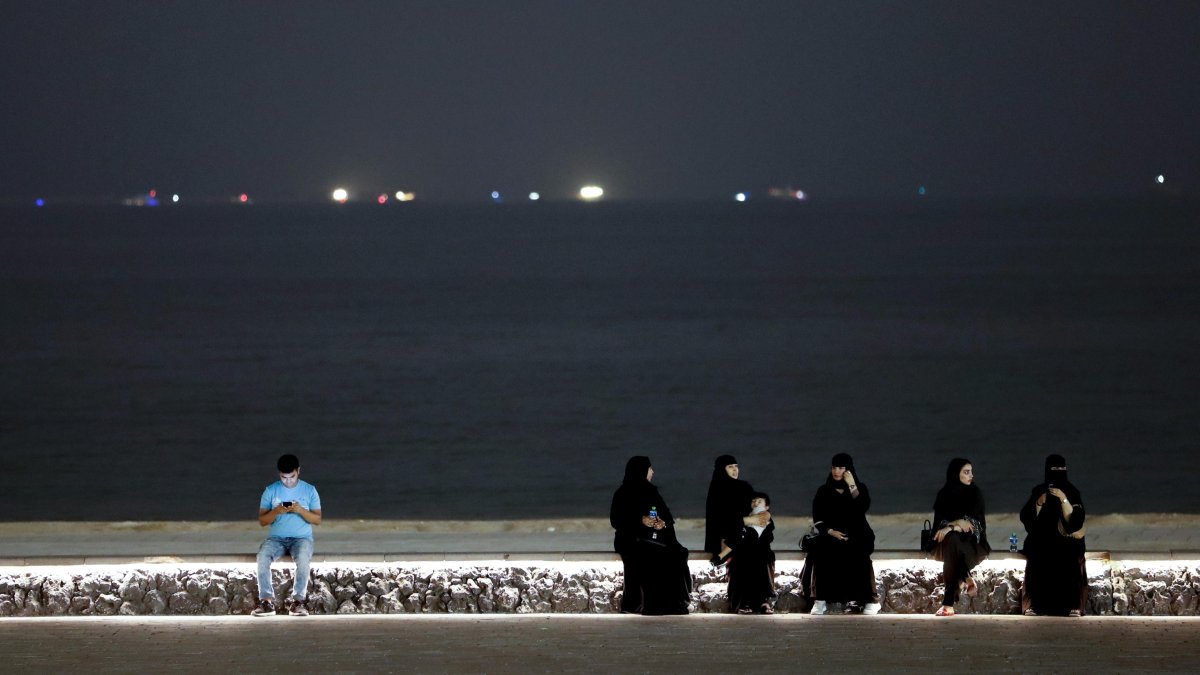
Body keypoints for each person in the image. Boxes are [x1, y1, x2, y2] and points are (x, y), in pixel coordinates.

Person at [609, 456, 691, 615]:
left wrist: (662, 523)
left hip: (654, 539)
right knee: (651, 555)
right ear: (641, 471)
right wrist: (640, 520)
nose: (652, 472)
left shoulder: (652, 492)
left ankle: (676, 603)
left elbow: (667, 516)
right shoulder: (623, 493)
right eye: (650, 469)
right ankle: (651, 604)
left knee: (676, 553)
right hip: (631, 540)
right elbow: (616, 520)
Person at [803, 453, 881, 615]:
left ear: (848, 469)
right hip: (831, 534)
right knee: (822, 554)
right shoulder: (823, 490)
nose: (836, 471)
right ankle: (820, 600)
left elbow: (862, 507)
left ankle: (870, 600)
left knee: (860, 554)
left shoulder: (860, 488)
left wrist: (852, 485)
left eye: (840, 468)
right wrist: (831, 532)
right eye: (834, 467)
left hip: (857, 533)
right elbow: (818, 517)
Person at [252, 454, 323, 617]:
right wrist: (277, 511)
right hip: (276, 538)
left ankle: (298, 602)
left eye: (292, 477)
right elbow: (263, 521)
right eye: (284, 478)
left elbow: (317, 520)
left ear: (298, 471)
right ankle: (266, 602)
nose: (288, 481)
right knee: (262, 556)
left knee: (303, 559)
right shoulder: (271, 491)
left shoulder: (309, 490)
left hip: (301, 538)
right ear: (279, 474)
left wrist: (300, 510)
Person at [1019, 454, 1087, 617]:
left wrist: (1063, 499)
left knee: (1070, 556)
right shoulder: (1039, 490)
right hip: (1042, 540)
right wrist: (1039, 502)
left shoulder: (1072, 491)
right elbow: (1026, 517)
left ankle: (1073, 605)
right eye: (1054, 469)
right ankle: (1035, 605)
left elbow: (1076, 521)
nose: (1058, 472)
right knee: (1037, 556)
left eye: (1061, 469)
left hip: (1066, 540)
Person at [930, 457, 991, 616]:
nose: (971, 475)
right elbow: (939, 525)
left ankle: (948, 603)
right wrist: (957, 524)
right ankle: (965, 576)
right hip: (947, 544)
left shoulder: (975, 493)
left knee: (953, 544)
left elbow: (976, 525)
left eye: (971, 472)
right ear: (956, 474)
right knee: (952, 540)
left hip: (973, 543)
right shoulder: (944, 494)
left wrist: (953, 527)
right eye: (966, 472)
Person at [726, 492, 777, 614]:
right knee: (742, 562)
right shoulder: (745, 518)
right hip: (744, 553)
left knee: (761, 560)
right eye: (753, 501)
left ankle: (762, 602)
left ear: (766, 507)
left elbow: (765, 536)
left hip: (761, 553)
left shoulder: (766, 519)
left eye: (759, 502)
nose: (755, 503)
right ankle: (744, 602)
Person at [704, 454, 753, 565]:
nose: (735, 469)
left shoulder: (742, 486)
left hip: (738, 535)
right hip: (733, 537)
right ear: (722, 470)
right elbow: (720, 519)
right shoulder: (719, 489)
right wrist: (747, 520)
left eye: (736, 466)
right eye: (730, 467)